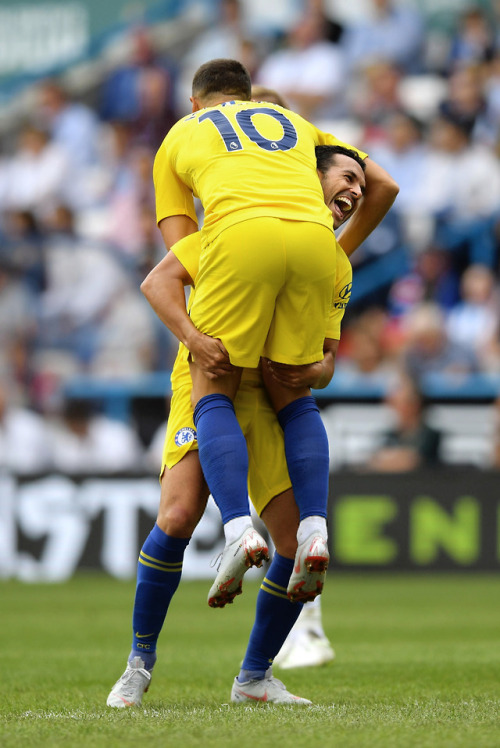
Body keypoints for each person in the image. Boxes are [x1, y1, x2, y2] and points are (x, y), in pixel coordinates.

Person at [107, 142, 398, 706]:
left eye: (361, 183)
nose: (357, 191)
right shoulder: (230, 231)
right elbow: (157, 281)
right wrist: (195, 342)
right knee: (178, 513)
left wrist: (313, 369)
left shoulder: (329, 262)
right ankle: (138, 665)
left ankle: (254, 678)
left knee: (293, 542)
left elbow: (328, 360)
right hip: (209, 376)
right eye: (346, 177)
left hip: (269, 396)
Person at [153, 58, 399, 611]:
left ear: (197, 104)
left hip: (231, 285)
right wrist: (333, 251)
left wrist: (198, 332)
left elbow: (176, 254)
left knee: (216, 392)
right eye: (345, 177)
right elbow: (385, 182)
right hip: (305, 253)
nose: (353, 188)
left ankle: (239, 534)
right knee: (290, 401)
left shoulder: (183, 136)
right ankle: (312, 530)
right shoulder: (297, 131)